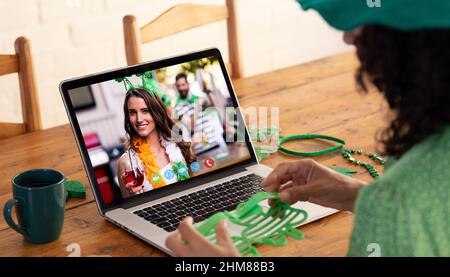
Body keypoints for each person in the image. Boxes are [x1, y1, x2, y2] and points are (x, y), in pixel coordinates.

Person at [165, 0, 450, 256]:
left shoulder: (399, 206)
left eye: (362, 22)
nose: (348, 36)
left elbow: (409, 214)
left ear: (420, 43)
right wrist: (359, 197)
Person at [118, 88, 196, 198]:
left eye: (145, 111)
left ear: (156, 112)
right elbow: (131, 211)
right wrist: (134, 197)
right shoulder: (126, 163)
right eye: (132, 113)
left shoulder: (177, 143)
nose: (139, 119)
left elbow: (195, 186)